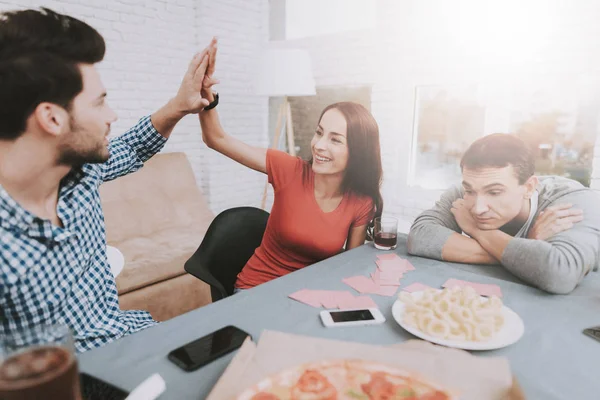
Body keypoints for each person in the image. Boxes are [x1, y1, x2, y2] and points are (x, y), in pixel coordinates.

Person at [0, 8, 215, 352]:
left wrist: (179, 106)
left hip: (129, 337)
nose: (111, 115)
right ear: (52, 118)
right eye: (100, 102)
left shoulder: (78, 170)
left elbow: (132, 147)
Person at [198, 39, 384, 290]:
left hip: (308, 294)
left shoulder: (361, 202)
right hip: (256, 289)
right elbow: (216, 139)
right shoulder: (288, 169)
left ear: (358, 153)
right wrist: (206, 99)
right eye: (319, 133)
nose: (319, 145)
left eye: (335, 140)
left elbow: (349, 265)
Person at [407, 133, 600, 294]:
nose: (478, 208)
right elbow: (420, 237)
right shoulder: (469, 189)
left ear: (529, 187)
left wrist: (478, 231)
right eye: (470, 190)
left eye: (494, 192)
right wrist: (527, 251)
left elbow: (559, 273)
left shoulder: (575, 202)